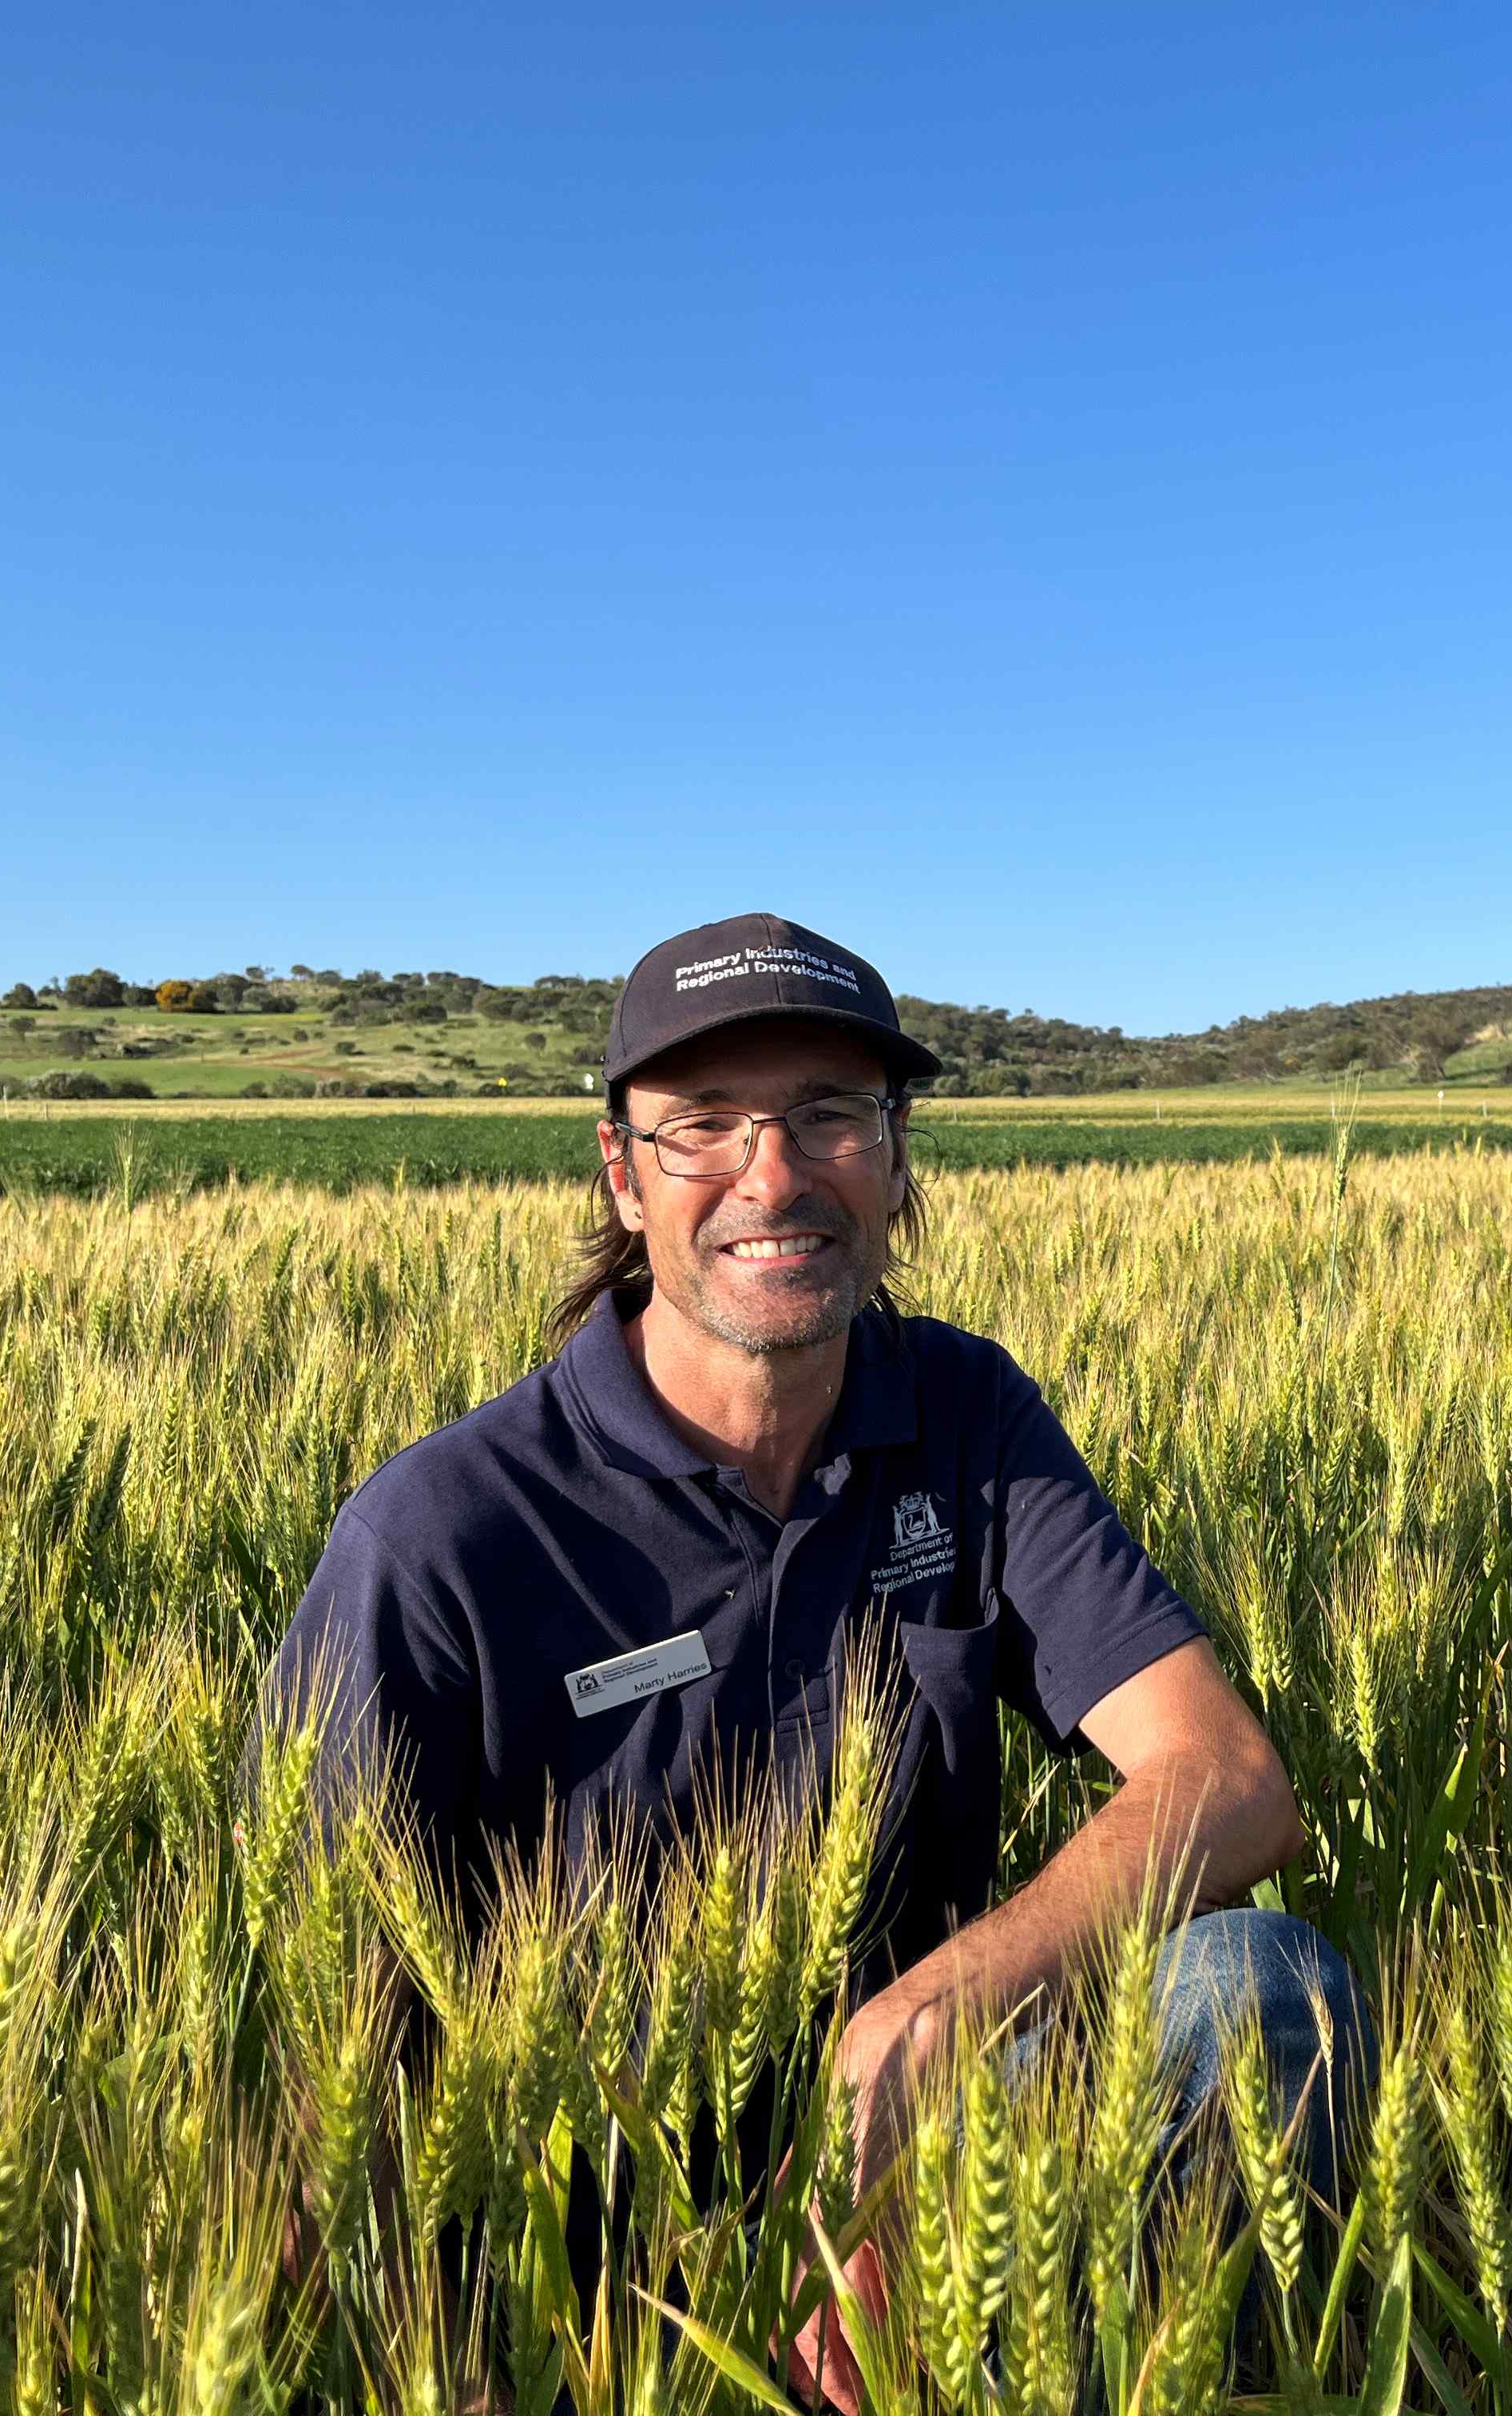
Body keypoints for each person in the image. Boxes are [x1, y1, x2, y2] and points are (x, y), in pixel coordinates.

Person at [256, 911, 1365, 2404]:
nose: (774, 1177)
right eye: (705, 1125)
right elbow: (319, 2038)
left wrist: (911, 2038)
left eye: (829, 1115)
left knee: (1258, 1988)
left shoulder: (964, 1417)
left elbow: (1231, 1780)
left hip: (928, 2184)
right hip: (578, 2281)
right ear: (619, 1170)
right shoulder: (440, 1534)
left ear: (898, 1154)